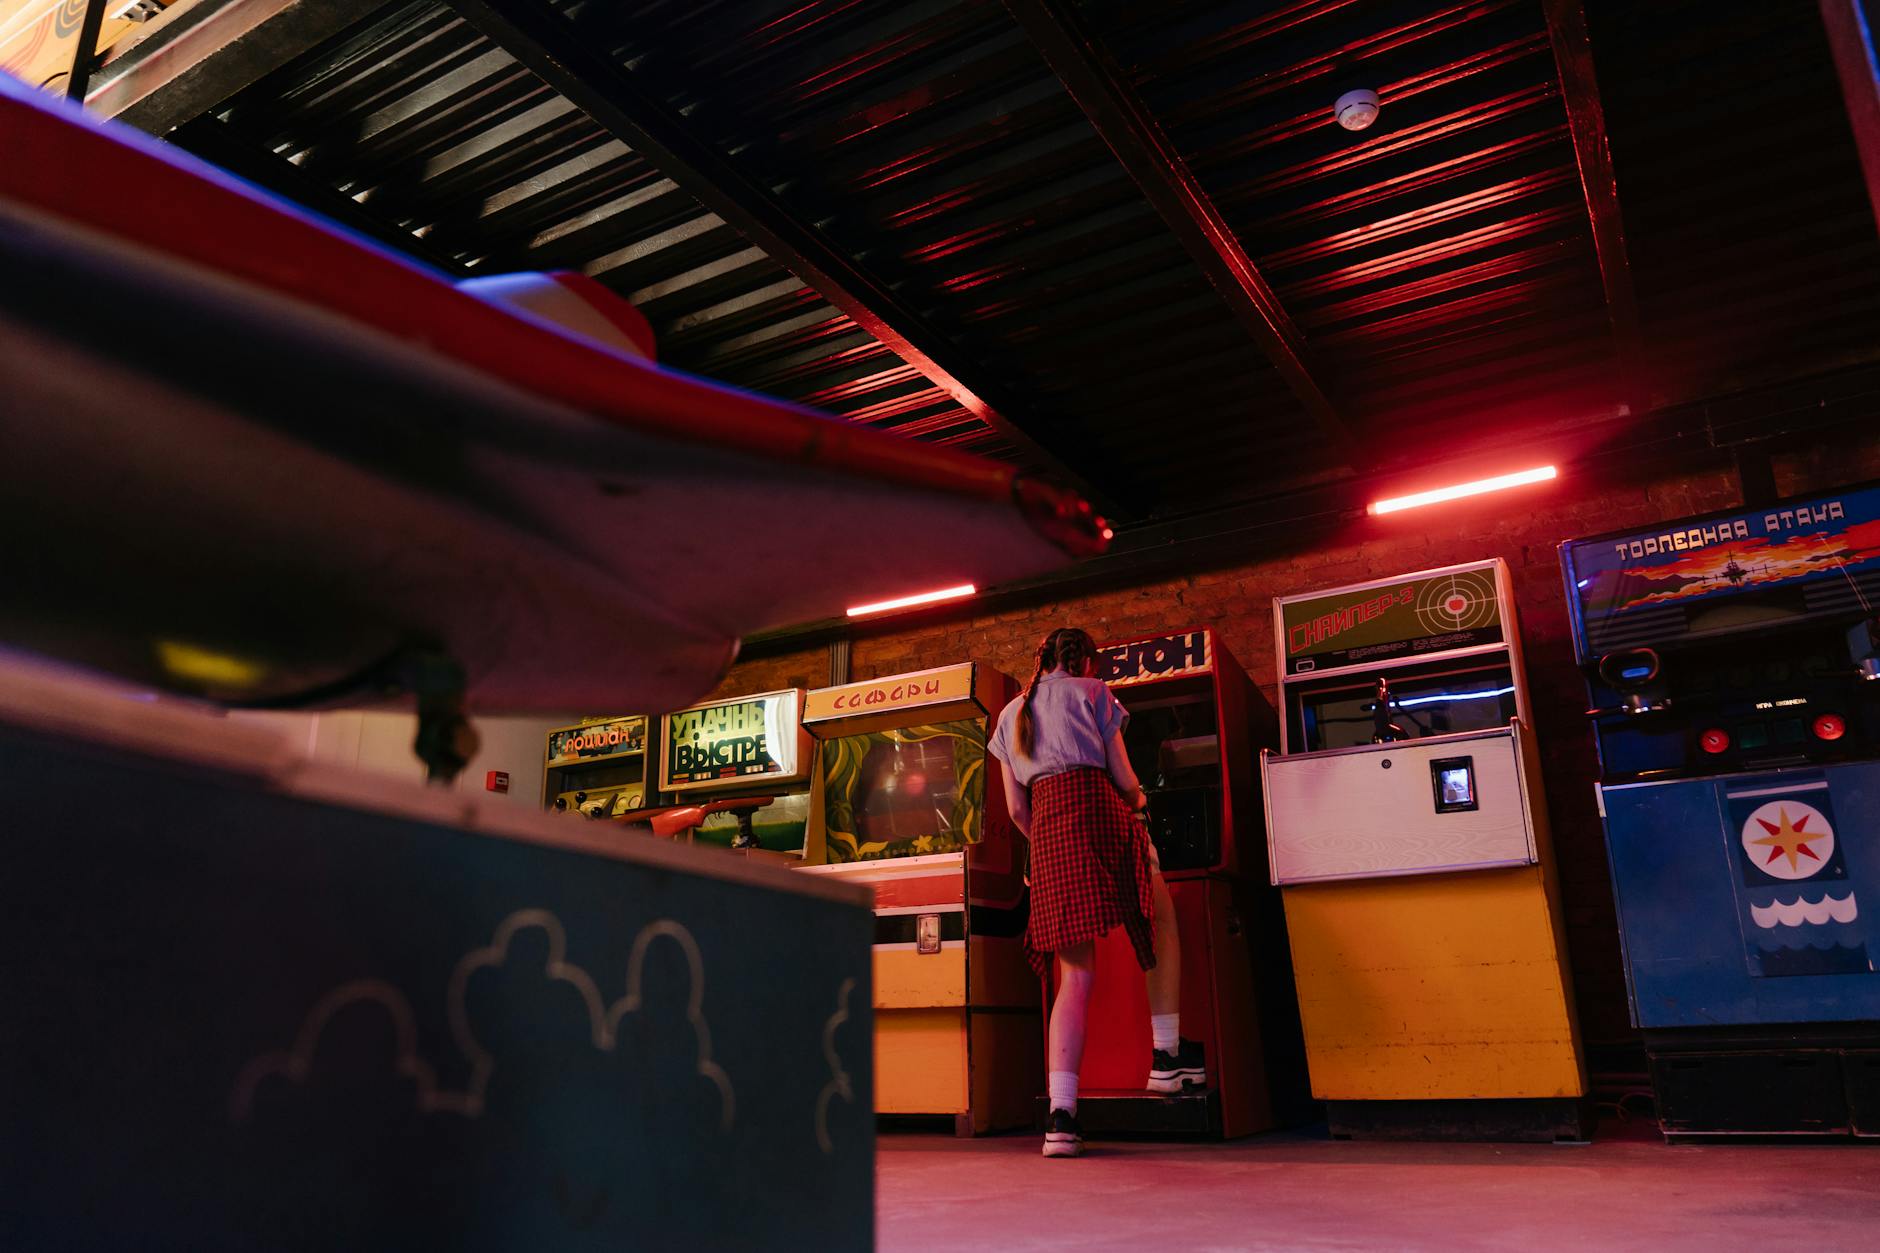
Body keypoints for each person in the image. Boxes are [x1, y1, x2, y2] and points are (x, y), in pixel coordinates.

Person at [988, 627, 1205, 1159]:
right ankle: (1167, 1057)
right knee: (1158, 915)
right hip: (1103, 817)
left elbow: (1017, 811)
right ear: (1085, 659)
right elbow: (1125, 776)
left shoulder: (1010, 715)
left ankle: (1061, 1117)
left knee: (1075, 976)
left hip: (1049, 836)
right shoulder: (1094, 693)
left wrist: (1049, 842)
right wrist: (1141, 807)